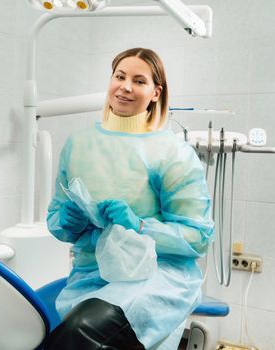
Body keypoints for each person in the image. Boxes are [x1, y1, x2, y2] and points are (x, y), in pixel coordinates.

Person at [44, 48, 214, 350]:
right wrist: (68, 221)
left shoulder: (172, 153)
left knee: (83, 331)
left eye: (138, 80)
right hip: (90, 275)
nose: (125, 87)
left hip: (156, 276)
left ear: (155, 92)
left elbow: (198, 237)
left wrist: (139, 226)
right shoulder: (78, 145)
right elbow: (56, 217)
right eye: (119, 77)